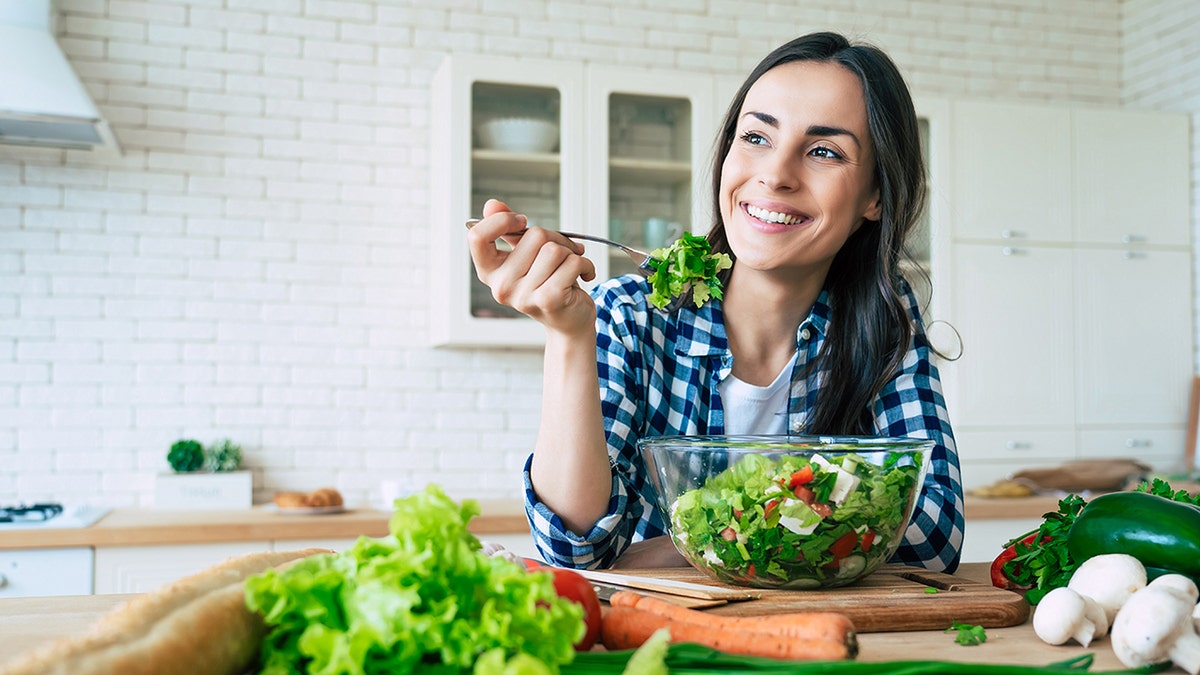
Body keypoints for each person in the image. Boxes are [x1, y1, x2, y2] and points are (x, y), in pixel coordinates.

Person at [466, 31, 964, 573]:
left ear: (875, 195)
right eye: (756, 138)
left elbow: (933, 536)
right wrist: (567, 335)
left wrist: (686, 544)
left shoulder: (886, 320)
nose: (775, 174)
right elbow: (578, 548)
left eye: (823, 151)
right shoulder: (630, 315)